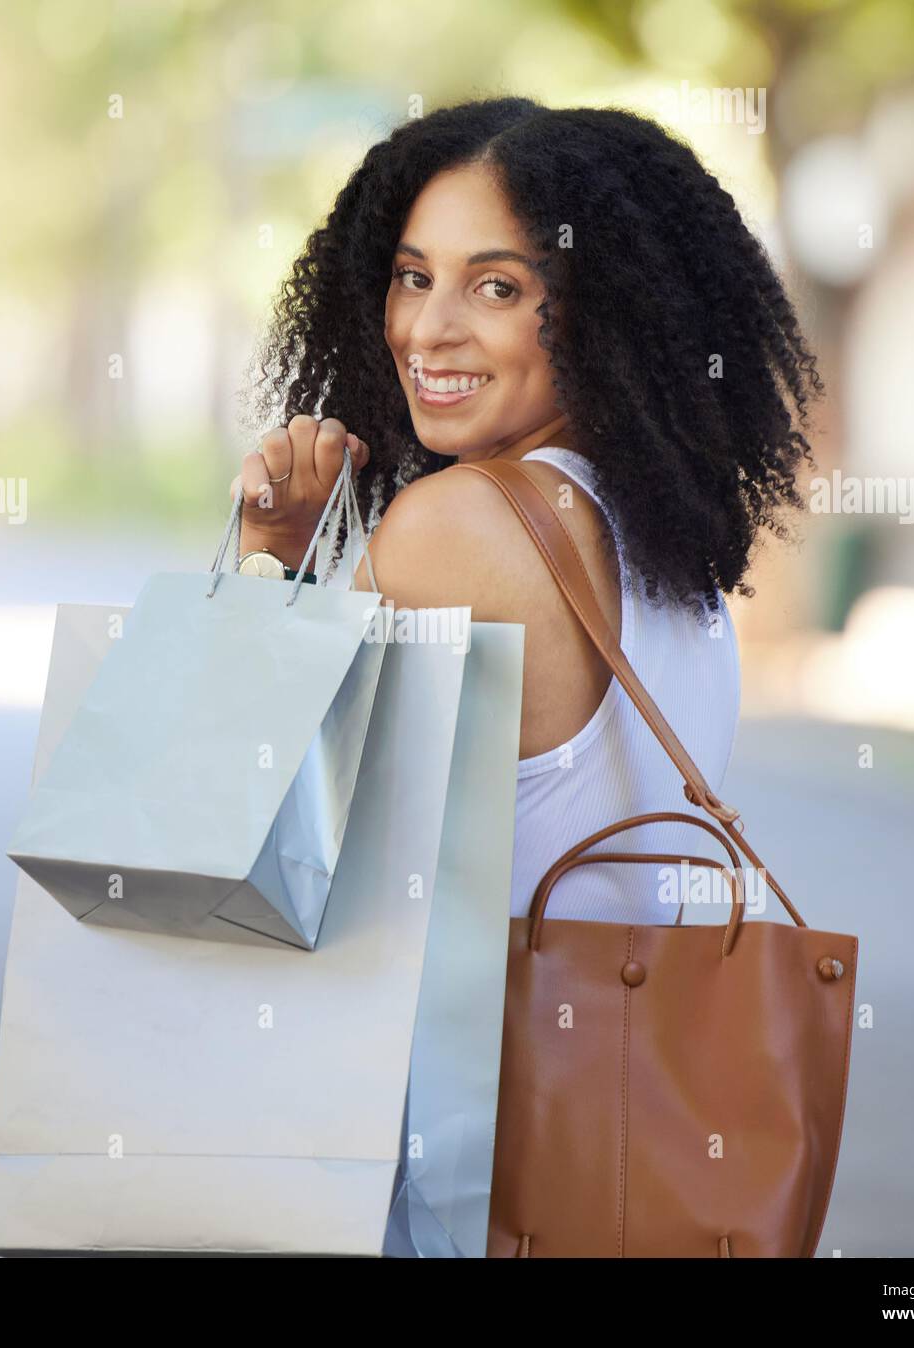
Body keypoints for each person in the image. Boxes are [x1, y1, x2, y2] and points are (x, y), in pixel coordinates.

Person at [230, 96, 820, 923]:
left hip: (468, 1054)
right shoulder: (666, 551)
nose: (429, 330)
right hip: (612, 1042)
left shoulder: (460, 524)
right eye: (413, 277)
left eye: (497, 287)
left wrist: (271, 557)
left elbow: (251, 831)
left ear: (604, 313)